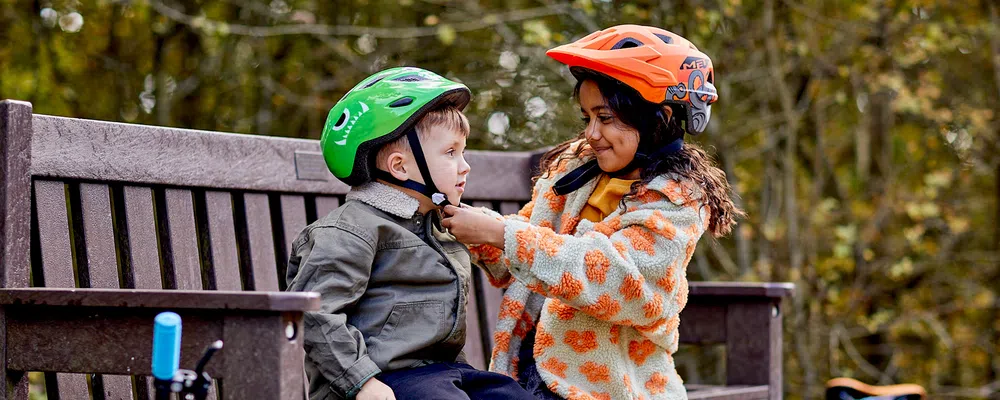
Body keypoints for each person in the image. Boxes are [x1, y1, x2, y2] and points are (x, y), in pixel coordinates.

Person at [441, 25, 743, 400]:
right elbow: (517, 255)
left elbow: (620, 280)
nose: (592, 133)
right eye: (587, 118)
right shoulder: (574, 173)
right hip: (526, 375)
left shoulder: (675, 201)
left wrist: (500, 234)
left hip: (609, 387)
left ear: (659, 117)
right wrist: (462, 225)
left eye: (606, 117)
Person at [286, 67, 533, 400]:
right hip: (377, 383)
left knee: (509, 395)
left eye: (463, 151)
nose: (464, 165)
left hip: (439, 376)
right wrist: (362, 382)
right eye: (450, 153)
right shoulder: (350, 231)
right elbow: (315, 314)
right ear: (400, 166)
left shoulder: (439, 225)